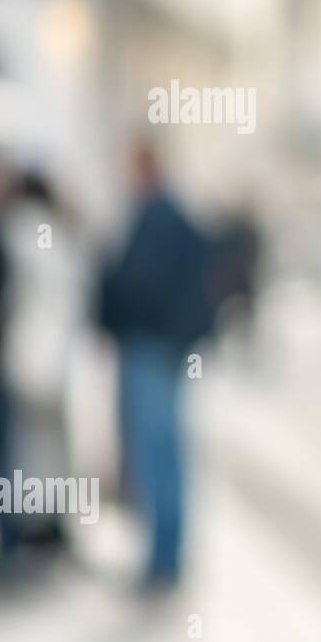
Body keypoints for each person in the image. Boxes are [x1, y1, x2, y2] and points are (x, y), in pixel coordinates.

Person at [97, 142, 216, 589]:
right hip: (158, 348)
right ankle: (162, 555)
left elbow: (146, 284)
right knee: (160, 453)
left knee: (158, 454)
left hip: (153, 349)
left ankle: (164, 559)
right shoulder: (163, 215)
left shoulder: (159, 217)